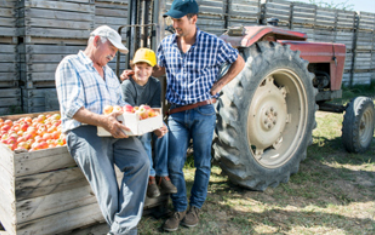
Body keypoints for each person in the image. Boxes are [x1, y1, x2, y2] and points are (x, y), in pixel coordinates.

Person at [121, 0, 245, 230]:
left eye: (179, 19)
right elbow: (160, 69)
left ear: (193, 19)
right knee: (174, 164)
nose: (174, 24)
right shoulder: (167, 43)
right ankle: (179, 209)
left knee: (202, 163)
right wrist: (138, 72)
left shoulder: (212, 42)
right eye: (172, 19)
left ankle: (195, 208)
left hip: (203, 111)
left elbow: (239, 61)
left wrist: (220, 84)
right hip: (177, 114)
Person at [56, 25, 149, 235]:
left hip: (112, 128)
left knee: (141, 162)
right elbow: (72, 109)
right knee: (108, 187)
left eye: (117, 50)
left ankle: (119, 231)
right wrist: (104, 121)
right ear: (97, 40)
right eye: (112, 47)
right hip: (84, 130)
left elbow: (119, 105)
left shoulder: (109, 73)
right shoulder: (71, 64)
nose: (114, 53)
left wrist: (139, 119)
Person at [120, 48, 177, 198]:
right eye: (139, 67)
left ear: (153, 70)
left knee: (165, 131)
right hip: (132, 124)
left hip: (147, 119)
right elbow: (130, 115)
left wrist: (158, 126)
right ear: (132, 67)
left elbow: (156, 110)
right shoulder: (127, 85)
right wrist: (151, 126)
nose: (143, 71)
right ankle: (150, 177)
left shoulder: (155, 84)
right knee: (145, 135)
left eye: (147, 68)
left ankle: (162, 175)